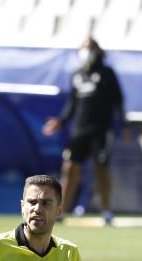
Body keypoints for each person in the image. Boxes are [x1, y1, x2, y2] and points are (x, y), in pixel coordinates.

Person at [42, 37, 125, 225]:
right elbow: (71, 104)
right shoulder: (76, 75)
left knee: (101, 168)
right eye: (84, 48)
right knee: (70, 168)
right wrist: (60, 122)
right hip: (79, 130)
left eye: (90, 48)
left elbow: (118, 101)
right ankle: (61, 210)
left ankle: (106, 211)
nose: (86, 52)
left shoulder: (107, 73)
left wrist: (123, 124)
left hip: (101, 130)